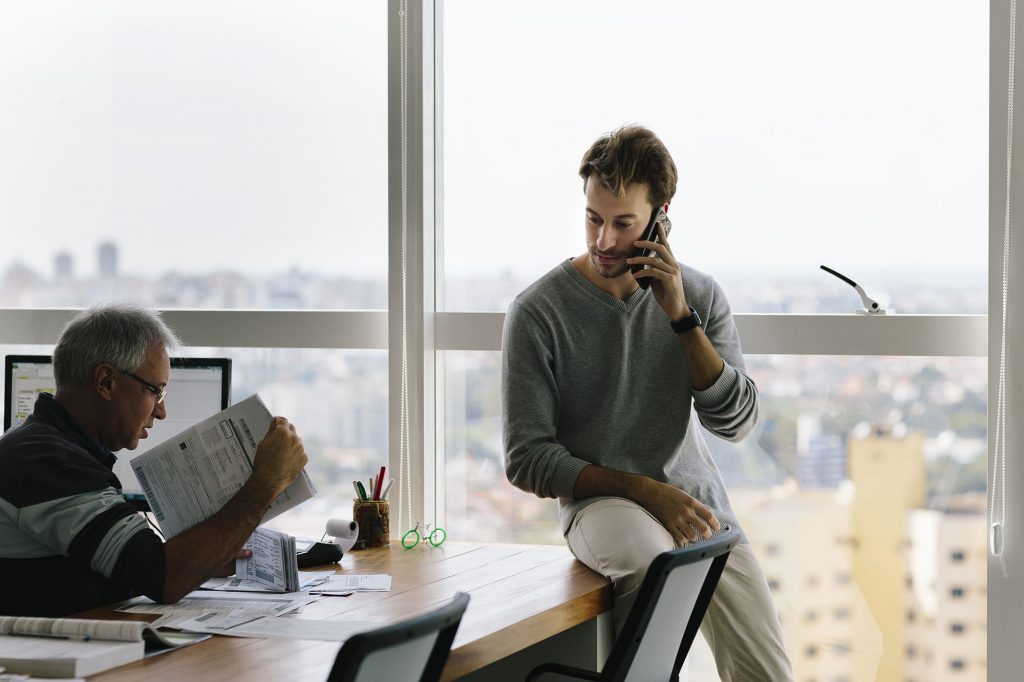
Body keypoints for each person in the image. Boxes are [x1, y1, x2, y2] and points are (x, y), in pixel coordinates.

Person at [501, 125, 793, 681]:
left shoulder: (699, 296)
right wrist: (643, 489)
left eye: (623, 223)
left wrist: (680, 316)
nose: (604, 241)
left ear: (661, 217)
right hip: (603, 506)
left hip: (698, 506)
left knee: (767, 674)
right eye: (593, 218)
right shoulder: (538, 312)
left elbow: (736, 423)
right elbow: (527, 459)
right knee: (651, 564)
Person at [0, 303, 308, 617]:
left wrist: (204, 558)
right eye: (155, 391)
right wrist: (265, 483)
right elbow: (164, 578)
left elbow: (129, 567)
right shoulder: (46, 460)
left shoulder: (49, 445)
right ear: (106, 381)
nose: (161, 412)